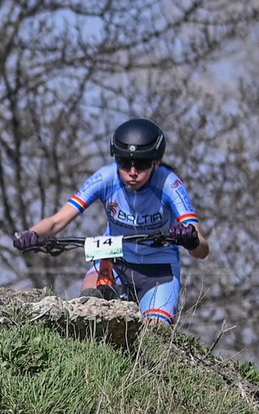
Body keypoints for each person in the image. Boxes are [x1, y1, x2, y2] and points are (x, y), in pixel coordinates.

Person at [14, 118, 210, 326]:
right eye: (125, 163)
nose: (132, 172)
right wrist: (31, 234)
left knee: (156, 335)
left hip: (159, 272)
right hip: (113, 260)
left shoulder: (170, 183)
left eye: (142, 165)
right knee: (88, 308)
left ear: (156, 163)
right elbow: (56, 221)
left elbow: (202, 250)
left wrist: (191, 240)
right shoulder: (106, 177)